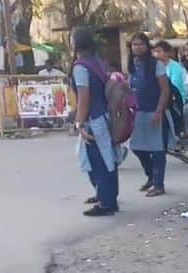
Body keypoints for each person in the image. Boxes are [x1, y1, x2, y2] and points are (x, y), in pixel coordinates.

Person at [70, 27, 121, 217]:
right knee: (108, 159)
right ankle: (108, 198)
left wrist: (80, 123)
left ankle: (105, 202)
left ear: (76, 43)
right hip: (104, 115)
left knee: (98, 161)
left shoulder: (80, 67)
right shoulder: (98, 62)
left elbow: (84, 97)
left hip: (93, 119)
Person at [128, 33, 172, 197]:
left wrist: (159, 111)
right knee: (136, 147)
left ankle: (159, 184)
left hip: (155, 111)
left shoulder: (156, 64)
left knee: (157, 149)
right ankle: (151, 177)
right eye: (134, 44)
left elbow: (165, 89)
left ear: (146, 46)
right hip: (139, 112)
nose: (136, 47)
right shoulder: (133, 65)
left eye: (140, 44)